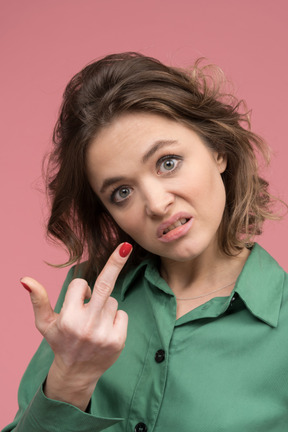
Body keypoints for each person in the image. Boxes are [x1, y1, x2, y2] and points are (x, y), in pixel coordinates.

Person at [2, 52, 288, 432]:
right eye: (121, 192)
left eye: (168, 162)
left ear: (217, 148)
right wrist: (71, 377)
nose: (155, 204)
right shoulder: (88, 301)